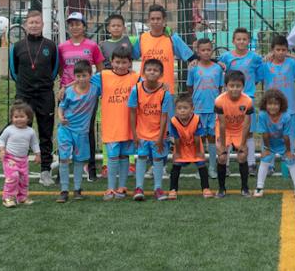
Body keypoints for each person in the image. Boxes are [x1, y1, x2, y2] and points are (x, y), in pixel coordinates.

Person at [9, 9, 59, 186]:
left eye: (37, 22)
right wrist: (25, 87)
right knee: (20, 133)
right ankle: (17, 170)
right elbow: (14, 72)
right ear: (25, 25)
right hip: (24, 95)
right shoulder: (17, 46)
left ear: (42, 24)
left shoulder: (50, 46)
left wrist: (43, 85)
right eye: (31, 22)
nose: (34, 25)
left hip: (45, 95)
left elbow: (54, 70)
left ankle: (45, 171)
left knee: (45, 133)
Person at [91, 45, 139, 200]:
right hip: (111, 125)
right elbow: (84, 82)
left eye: (124, 62)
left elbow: (149, 86)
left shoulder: (135, 77)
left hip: (129, 126)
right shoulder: (103, 76)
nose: (120, 66)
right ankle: (110, 188)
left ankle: (122, 187)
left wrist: (162, 86)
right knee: (112, 157)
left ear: (130, 63)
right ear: (111, 61)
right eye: (117, 62)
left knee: (125, 156)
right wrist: (66, 87)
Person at [96, 13, 138, 179]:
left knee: (129, 127)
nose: (116, 28)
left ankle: (131, 163)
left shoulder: (131, 40)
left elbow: (150, 37)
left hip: (126, 82)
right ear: (108, 28)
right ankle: (107, 164)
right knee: (110, 130)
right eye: (113, 26)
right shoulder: (103, 45)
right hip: (110, 85)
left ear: (124, 27)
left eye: (119, 25)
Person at [218, 28, 263, 174]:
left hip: (247, 98)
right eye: (238, 39)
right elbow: (218, 68)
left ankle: (250, 164)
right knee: (229, 130)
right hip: (230, 100)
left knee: (248, 132)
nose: (241, 42)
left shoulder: (254, 58)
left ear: (248, 41)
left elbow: (260, 73)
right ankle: (225, 164)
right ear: (233, 41)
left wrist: (250, 88)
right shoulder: (226, 57)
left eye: (244, 39)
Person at [129, 58, 173, 201]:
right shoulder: (136, 89)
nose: (152, 72)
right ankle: (139, 188)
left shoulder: (165, 92)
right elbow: (132, 113)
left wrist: (160, 138)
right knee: (141, 158)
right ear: (143, 72)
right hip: (142, 133)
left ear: (160, 74)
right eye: (149, 69)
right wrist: (135, 134)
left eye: (155, 70)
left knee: (158, 159)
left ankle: (158, 188)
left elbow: (164, 116)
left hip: (157, 134)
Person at [56, 60, 99, 203]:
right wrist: (61, 117)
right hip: (66, 130)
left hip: (82, 133)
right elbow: (61, 107)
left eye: (84, 76)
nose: (81, 79)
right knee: (64, 159)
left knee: (79, 161)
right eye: (78, 76)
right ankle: (63, 190)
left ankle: (77, 189)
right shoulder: (68, 92)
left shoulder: (95, 89)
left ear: (90, 75)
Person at [258, 35, 295, 163]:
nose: (280, 53)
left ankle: (289, 160)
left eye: (284, 50)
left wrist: (293, 57)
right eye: (278, 50)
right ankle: (269, 163)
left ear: (287, 50)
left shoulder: (291, 63)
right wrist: (263, 60)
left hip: (289, 108)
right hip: (271, 108)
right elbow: (256, 75)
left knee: (289, 135)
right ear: (272, 50)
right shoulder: (266, 65)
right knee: (269, 135)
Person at [133, 4, 194, 96]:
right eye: (152, 19)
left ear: (164, 20)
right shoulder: (142, 38)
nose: (155, 21)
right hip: (145, 88)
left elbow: (192, 57)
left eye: (158, 19)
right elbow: (129, 57)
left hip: (166, 88)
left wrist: (215, 62)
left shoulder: (172, 38)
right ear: (149, 20)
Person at [253, 88, 295, 197]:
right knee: (264, 160)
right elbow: (264, 134)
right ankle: (259, 187)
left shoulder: (286, 116)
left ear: (281, 105)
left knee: (291, 160)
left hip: (283, 144)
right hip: (269, 143)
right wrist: (266, 149)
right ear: (265, 104)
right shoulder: (262, 115)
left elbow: (286, 136)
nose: (273, 107)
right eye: (270, 104)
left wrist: (289, 151)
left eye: (276, 104)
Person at [186, 38, 224, 179]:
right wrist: (194, 101)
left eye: (208, 50)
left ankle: (213, 168)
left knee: (212, 138)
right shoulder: (193, 67)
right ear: (198, 51)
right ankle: (200, 168)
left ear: (212, 50)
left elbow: (220, 88)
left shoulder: (218, 68)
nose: (206, 52)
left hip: (213, 110)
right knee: (200, 139)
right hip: (198, 109)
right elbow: (190, 87)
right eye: (203, 50)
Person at [214, 70, 254, 198]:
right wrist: (222, 146)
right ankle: (221, 189)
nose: (235, 89)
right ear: (226, 86)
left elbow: (247, 124)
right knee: (222, 157)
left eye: (238, 86)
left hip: (239, 130)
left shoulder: (248, 101)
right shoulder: (219, 100)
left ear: (243, 86)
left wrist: (242, 144)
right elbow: (222, 124)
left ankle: (245, 188)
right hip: (224, 130)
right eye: (231, 86)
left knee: (242, 156)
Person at [168, 94, 213, 199]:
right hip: (181, 147)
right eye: (179, 108)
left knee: (201, 165)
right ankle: (173, 189)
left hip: (195, 146)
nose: (182, 111)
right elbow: (177, 139)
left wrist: (198, 152)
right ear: (175, 110)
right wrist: (177, 153)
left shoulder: (196, 119)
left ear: (192, 109)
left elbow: (197, 137)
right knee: (176, 166)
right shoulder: (174, 121)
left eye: (185, 108)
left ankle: (206, 188)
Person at [0, 101, 41, 208]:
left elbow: (34, 143)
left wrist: (37, 154)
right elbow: (1, 139)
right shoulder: (9, 130)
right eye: (16, 117)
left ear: (28, 118)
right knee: (13, 177)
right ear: (12, 118)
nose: (19, 119)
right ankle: (8, 197)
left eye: (22, 116)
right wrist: (2, 150)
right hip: (10, 158)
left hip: (23, 160)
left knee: (24, 179)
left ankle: (22, 197)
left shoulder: (30, 131)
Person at [58, 12, 104, 91]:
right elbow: (61, 69)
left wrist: (92, 83)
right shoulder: (61, 47)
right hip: (67, 89)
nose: (74, 27)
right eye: (71, 25)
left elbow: (100, 69)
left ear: (84, 27)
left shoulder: (93, 45)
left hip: (86, 90)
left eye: (77, 24)